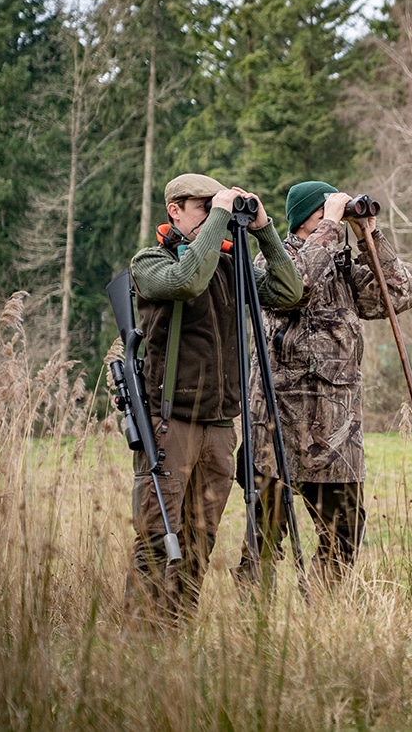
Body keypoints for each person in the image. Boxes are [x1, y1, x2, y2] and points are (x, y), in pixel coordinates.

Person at [126, 172, 303, 625]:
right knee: (156, 533)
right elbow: (187, 281)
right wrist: (221, 215)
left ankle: (177, 628)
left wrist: (262, 229)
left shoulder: (229, 266)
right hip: (171, 421)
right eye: (204, 207)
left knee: (200, 539)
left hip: (220, 427)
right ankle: (140, 639)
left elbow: (287, 291)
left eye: (216, 206)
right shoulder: (150, 262)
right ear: (175, 210)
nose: (214, 216)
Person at [233, 180, 412, 594]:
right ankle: (250, 622)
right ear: (306, 219)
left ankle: (321, 612)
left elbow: (401, 294)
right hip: (276, 428)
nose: (334, 219)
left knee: (345, 533)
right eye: (325, 212)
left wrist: (369, 235)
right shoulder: (269, 265)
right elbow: (296, 287)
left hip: (336, 432)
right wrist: (331, 224)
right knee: (264, 538)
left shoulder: (342, 270)